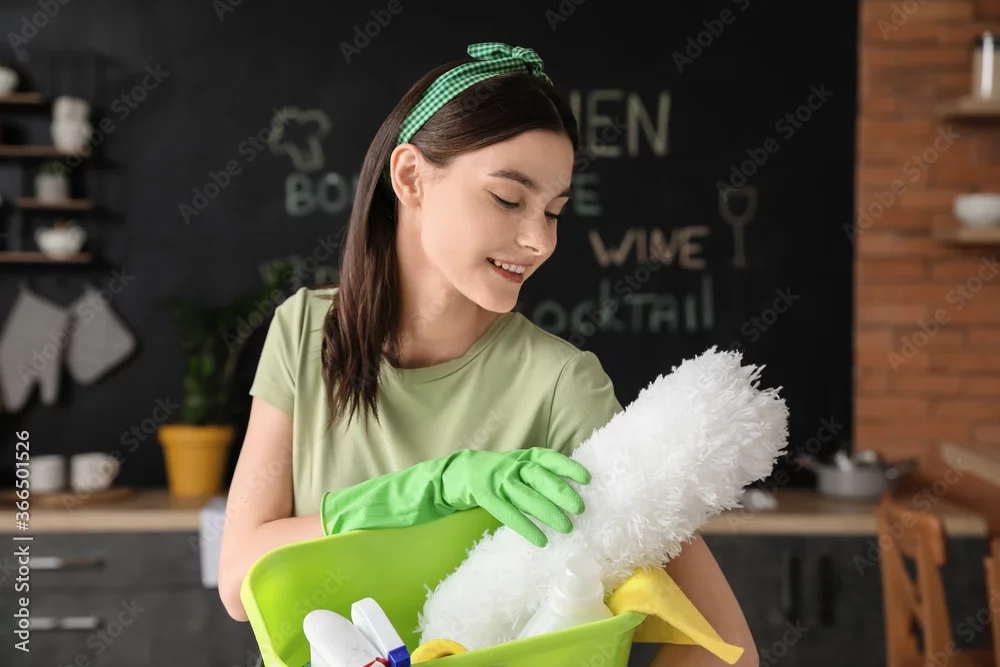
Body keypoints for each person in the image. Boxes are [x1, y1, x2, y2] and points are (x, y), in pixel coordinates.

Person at [218, 42, 756, 667]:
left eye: (554, 211)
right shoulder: (308, 331)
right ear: (410, 177)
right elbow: (237, 579)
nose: (539, 240)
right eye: (508, 199)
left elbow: (727, 648)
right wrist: (429, 491)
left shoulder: (561, 386)